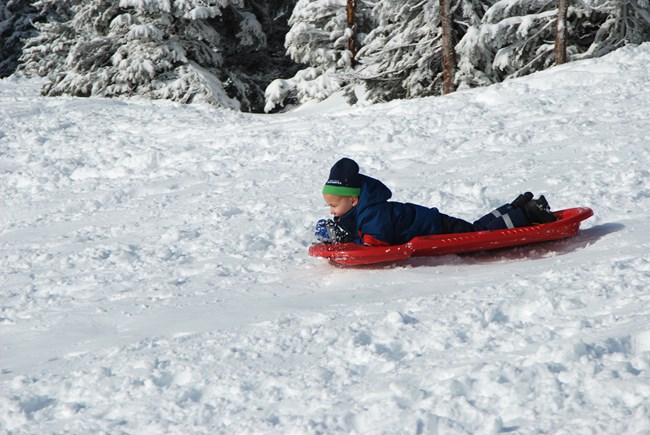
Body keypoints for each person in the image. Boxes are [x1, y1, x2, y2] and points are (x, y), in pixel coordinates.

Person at [315, 157, 557, 246]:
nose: (331, 210)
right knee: (475, 227)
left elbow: (377, 242)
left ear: (354, 200)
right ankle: (515, 207)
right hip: (430, 221)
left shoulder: (374, 213)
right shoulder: (364, 209)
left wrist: (350, 242)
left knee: (478, 234)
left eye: (334, 205)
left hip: (434, 226)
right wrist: (341, 234)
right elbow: (358, 228)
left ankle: (529, 213)